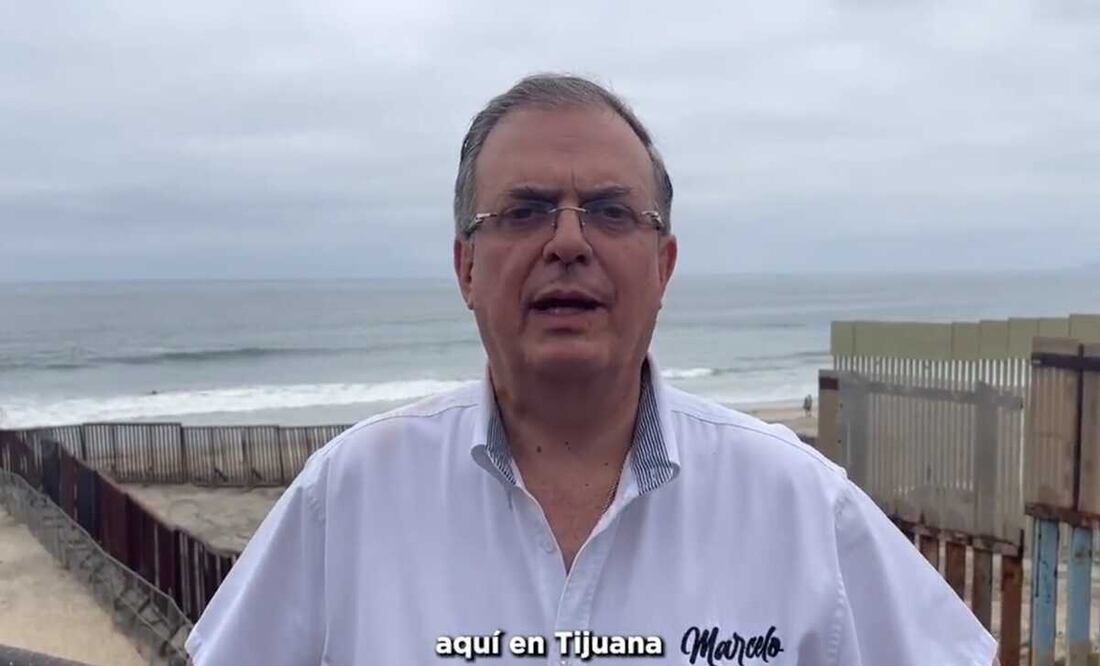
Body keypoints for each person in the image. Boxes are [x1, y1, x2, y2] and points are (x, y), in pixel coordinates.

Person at [185, 74, 998, 665]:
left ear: (663, 266)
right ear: (466, 268)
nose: (568, 241)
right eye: (525, 211)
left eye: (610, 212)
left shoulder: (800, 505)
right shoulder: (348, 496)